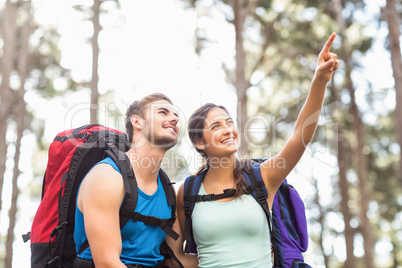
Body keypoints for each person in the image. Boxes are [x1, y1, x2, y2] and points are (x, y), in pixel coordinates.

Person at [166, 33, 340, 268]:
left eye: (229, 122)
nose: (228, 130)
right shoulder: (187, 191)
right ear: (200, 143)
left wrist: (319, 81)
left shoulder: (263, 176)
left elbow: (301, 135)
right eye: (216, 126)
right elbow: (173, 256)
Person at [73, 93, 181, 268]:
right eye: (163, 112)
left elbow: (174, 260)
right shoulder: (106, 177)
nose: (175, 119)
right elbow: (107, 263)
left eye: (175, 115)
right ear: (137, 122)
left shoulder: (168, 191)